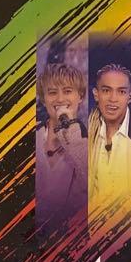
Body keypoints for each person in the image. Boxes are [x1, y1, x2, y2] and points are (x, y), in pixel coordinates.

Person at [87, 62, 131, 234]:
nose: (113, 99)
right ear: (96, 94)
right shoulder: (86, 132)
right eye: (106, 90)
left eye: (121, 91)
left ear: (130, 97)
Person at [35, 62, 89, 231]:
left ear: (80, 96)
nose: (59, 99)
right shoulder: (30, 135)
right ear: (43, 99)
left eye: (67, 91)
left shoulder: (93, 140)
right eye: (52, 92)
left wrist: (71, 129)